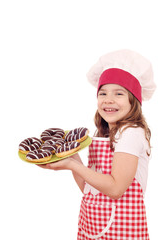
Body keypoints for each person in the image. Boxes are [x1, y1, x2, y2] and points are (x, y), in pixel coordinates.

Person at [39, 49, 156, 239]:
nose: (108, 99)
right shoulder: (105, 135)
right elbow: (89, 190)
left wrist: (72, 165)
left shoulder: (131, 133)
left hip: (122, 232)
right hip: (94, 229)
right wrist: (71, 155)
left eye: (119, 93)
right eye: (103, 93)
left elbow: (116, 189)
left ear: (134, 100)